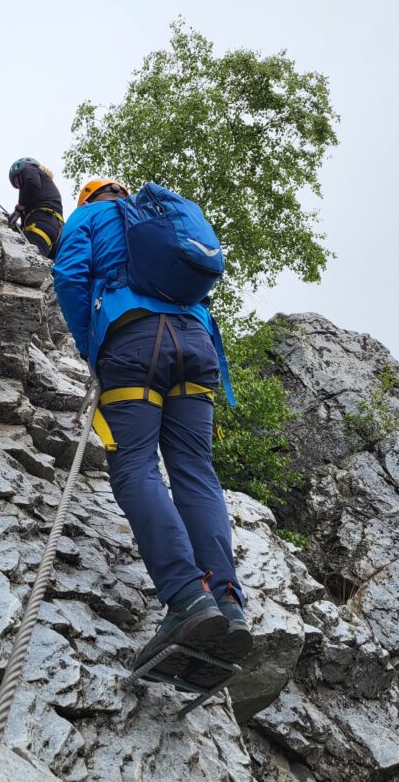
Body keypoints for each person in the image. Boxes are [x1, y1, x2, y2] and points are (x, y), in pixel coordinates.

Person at [53, 178, 251, 685]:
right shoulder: (160, 219)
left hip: (134, 343)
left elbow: (71, 274)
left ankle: (186, 596)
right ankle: (227, 602)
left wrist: (88, 346)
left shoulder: (90, 217)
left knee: (136, 465)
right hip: (197, 346)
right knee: (196, 473)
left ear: (89, 197)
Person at [8, 158, 65, 259]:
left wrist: (20, 206)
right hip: (55, 230)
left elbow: (32, 182)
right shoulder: (45, 189)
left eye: (17, 180)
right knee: (43, 267)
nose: (18, 185)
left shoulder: (29, 168)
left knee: (29, 260)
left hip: (41, 223)